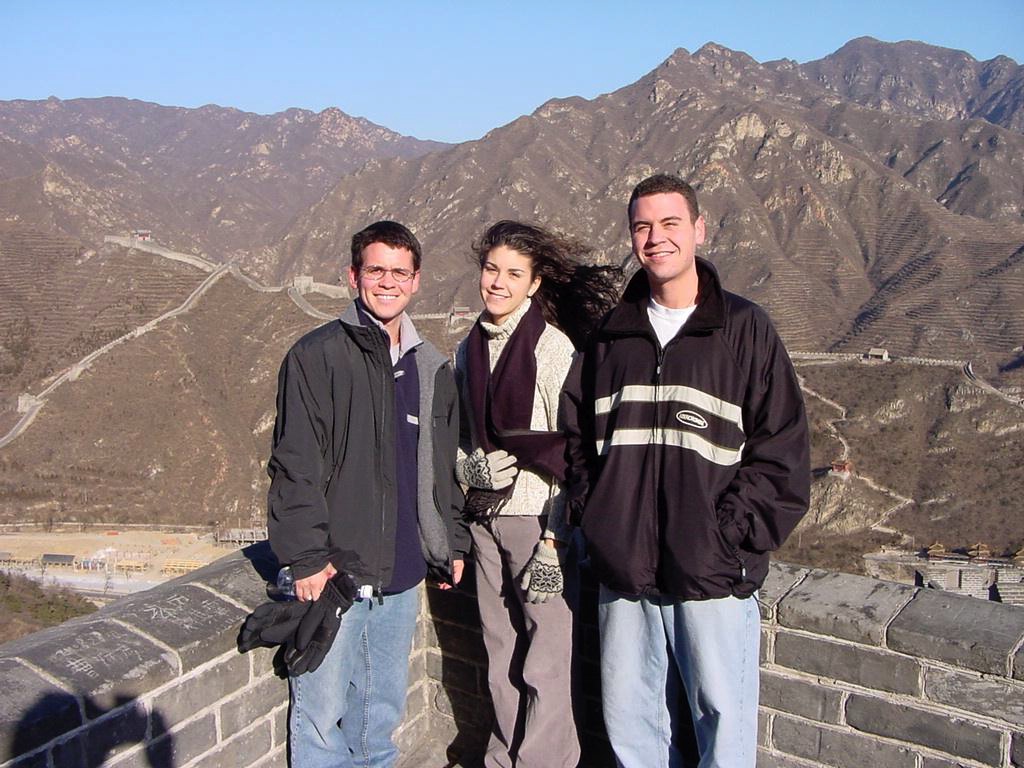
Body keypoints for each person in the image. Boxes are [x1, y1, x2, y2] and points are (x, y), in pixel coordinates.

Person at [562, 175, 810, 768]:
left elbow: (782, 451)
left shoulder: (743, 330)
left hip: (712, 574)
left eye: (670, 223)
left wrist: (727, 537)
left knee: (722, 726)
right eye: (643, 226)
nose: (656, 238)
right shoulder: (611, 336)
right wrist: (601, 519)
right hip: (625, 572)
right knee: (631, 724)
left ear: (699, 229)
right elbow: (576, 441)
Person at [266, 220, 469, 768]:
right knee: (322, 717)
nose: (387, 282)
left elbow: (441, 467)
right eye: (375, 269)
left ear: (417, 281)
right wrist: (307, 556)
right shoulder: (318, 356)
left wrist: (450, 540)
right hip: (334, 572)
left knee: (379, 714)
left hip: (401, 573)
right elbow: (295, 463)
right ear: (352, 275)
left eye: (399, 272)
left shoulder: (431, 367)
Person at [454, 221, 619, 768]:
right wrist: (469, 469)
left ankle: (544, 761)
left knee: (545, 658)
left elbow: (574, 451)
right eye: (492, 269)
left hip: (536, 525)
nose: (498, 283)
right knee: (499, 649)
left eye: (513, 274)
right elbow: (458, 438)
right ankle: (503, 756)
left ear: (535, 283)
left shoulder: (552, 349)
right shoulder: (468, 348)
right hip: (484, 520)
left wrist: (554, 538)